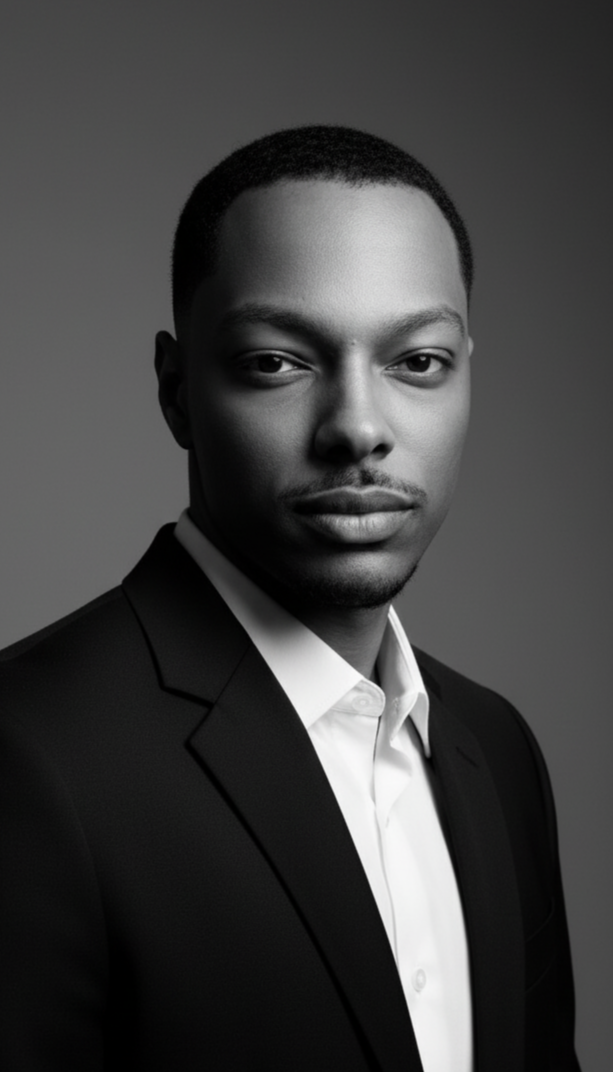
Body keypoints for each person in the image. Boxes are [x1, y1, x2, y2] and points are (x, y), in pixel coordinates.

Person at [0, 126, 580, 1071]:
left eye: (417, 362)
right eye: (278, 362)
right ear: (176, 390)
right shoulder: (27, 755)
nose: (358, 426)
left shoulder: (496, 750)